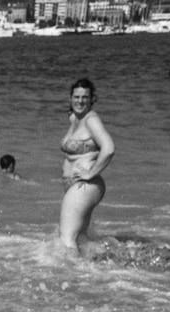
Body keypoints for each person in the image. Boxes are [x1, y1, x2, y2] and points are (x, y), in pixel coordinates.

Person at [59, 77, 113, 254]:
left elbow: (109, 148)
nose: (80, 101)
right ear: (70, 98)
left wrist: (90, 173)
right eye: (76, 97)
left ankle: (69, 270)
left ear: (92, 99)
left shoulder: (91, 120)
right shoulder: (74, 118)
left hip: (85, 184)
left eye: (85, 97)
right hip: (75, 185)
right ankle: (91, 268)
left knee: (66, 238)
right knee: (80, 238)